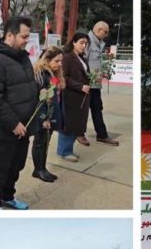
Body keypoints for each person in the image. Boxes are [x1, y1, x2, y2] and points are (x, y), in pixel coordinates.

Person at [0, 16, 38, 210]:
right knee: (0, 169)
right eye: (24, 36)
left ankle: (8, 196)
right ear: (10, 35)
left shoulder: (23, 58)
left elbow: (27, 87)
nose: (26, 40)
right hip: (4, 129)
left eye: (28, 36)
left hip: (24, 127)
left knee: (16, 167)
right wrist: (13, 123)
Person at [31, 46, 65, 183]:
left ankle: (42, 167)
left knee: (46, 141)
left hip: (51, 113)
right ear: (47, 60)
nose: (60, 64)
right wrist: (43, 118)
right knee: (40, 142)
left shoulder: (51, 74)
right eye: (57, 61)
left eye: (61, 61)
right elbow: (38, 100)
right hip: (42, 115)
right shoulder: (40, 75)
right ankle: (38, 169)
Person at [57, 32, 92, 161]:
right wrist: (80, 86)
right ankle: (64, 151)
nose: (84, 46)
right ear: (73, 42)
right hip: (71, 95)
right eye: (81, 43)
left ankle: (68, 150)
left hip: (81, 97)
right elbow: (64, 77)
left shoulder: (82, 58)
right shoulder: (67, 57)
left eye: (86, 43)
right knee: (68, 125)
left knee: (75, 124)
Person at [85, 21, 117, 146]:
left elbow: (95, 64)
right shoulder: (87, 41)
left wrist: (102, 73)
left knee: (97, 108)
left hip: (95, 84)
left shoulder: (98, 43)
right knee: (83, 111)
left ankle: (102, 135)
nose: (107, 34)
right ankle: (79, 134)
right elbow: (82, 63)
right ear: (99, 30)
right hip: (87, 84)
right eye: (106, 31)